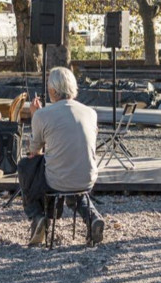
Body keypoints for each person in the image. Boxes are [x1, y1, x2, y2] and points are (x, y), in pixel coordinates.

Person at [22, 67, 105, 246]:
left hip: (58, 179)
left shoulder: (43, 115)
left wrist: (35, 115)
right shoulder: (90, 113)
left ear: (52, 90)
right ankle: (92, 217)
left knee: (26, 166)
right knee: (73, 186)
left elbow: (33, 151)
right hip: (87, 177)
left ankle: (38, 216)